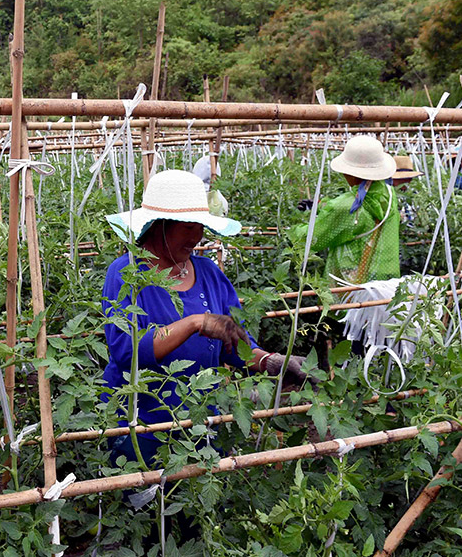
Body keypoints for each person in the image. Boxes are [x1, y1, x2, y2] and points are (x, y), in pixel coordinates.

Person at [102, 169, 312, 468]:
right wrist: (194, 323)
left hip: (202, 419)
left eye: (200, 226)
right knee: (144, 507)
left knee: (197, 507)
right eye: (188, 227)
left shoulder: (208, 273)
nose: (197, 237)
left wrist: (272, 361)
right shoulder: (126, 273)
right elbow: (127, 351)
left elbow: (235, 346)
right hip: (143, 427)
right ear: (159, 226)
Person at [290, 135, 399, 285]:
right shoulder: (388, 194)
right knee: (377, 308)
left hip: (350, 278)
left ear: (351, 173)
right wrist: (322, 205)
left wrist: (290, 230)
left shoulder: (347, 206)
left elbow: (311, 238)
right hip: (383, 278)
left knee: (351, 309)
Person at [390, 154, 423, 227]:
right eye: (402, 178)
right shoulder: (387, 195)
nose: (407, 181)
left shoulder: (414, 194)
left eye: (409, 178)